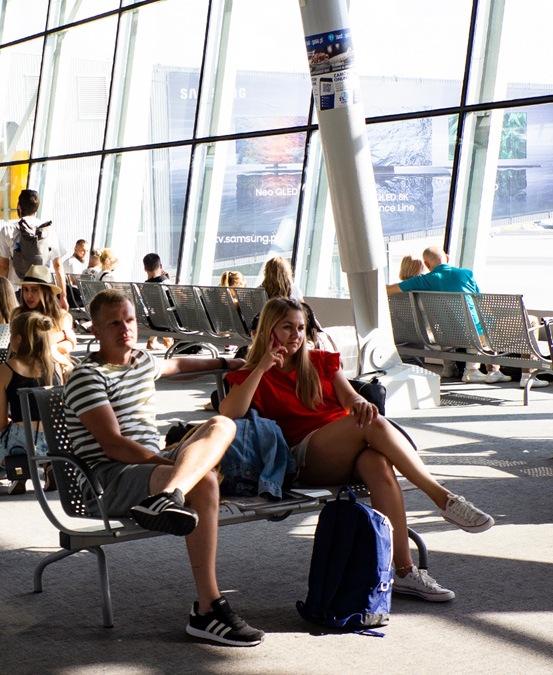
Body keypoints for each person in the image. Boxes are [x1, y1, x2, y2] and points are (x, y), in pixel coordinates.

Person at [220, 297, 495, 602]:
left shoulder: (322, 362)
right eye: (287, 327)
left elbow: (350, 399)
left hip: (347, 443)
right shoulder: (249, 375)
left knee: (377, 462)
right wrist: (261, 367)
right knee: (372, 425)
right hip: (304, 457)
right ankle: (443, 498)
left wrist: (361, 403)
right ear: (268, 330)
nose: (296, 335)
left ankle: (404, 571)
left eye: (300, 328)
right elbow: (230, 412)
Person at [64, 288, 263, 646]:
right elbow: (113, 444)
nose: (125, 329)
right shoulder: (86, 377)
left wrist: (222, 363)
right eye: (113, 324)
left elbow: (177, 364)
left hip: (151, 469)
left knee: (223, 425)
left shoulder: (140, 360)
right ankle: (208, 609)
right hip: (108, 478)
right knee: (204, 483)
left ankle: (171, 496)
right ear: (94, 329)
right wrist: (170, 464)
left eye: (129, 320)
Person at [387, 246, 515, 385]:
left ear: (428, 265)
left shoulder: (425, 281)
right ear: (447, 258)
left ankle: (449, 367)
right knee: (486, 325)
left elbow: (390, 289)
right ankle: (480, 370)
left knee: (449, 325)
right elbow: (479, 301)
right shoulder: (467, 274)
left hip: (445, 334)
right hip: (472, 335)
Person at [0, 312, 62, 494]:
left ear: (19, 339)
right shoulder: (55, 365)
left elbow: (0, 421)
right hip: (55, 437)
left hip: (21, 439)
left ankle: (20, 468)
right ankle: (49, 464)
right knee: (43, 436)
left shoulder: (5, 370)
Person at [0, 189, 65, 300]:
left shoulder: (8, 230)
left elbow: (3, 266)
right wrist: (63, 297)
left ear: (19, 206)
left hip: (17, 290)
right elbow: (58, 266)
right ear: (36, 208)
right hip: (42, 290)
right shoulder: (48, 231)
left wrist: (0, 294)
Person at [14, 265, 75, 371]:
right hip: (26, 367)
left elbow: (66, 347)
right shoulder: (18, 314)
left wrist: (38, 346)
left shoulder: (62, 316)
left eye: (34, 290)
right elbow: (21, 346)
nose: (29, 295)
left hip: (57, 367)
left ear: (46, 292)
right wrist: (63, 334)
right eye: (26, 290)